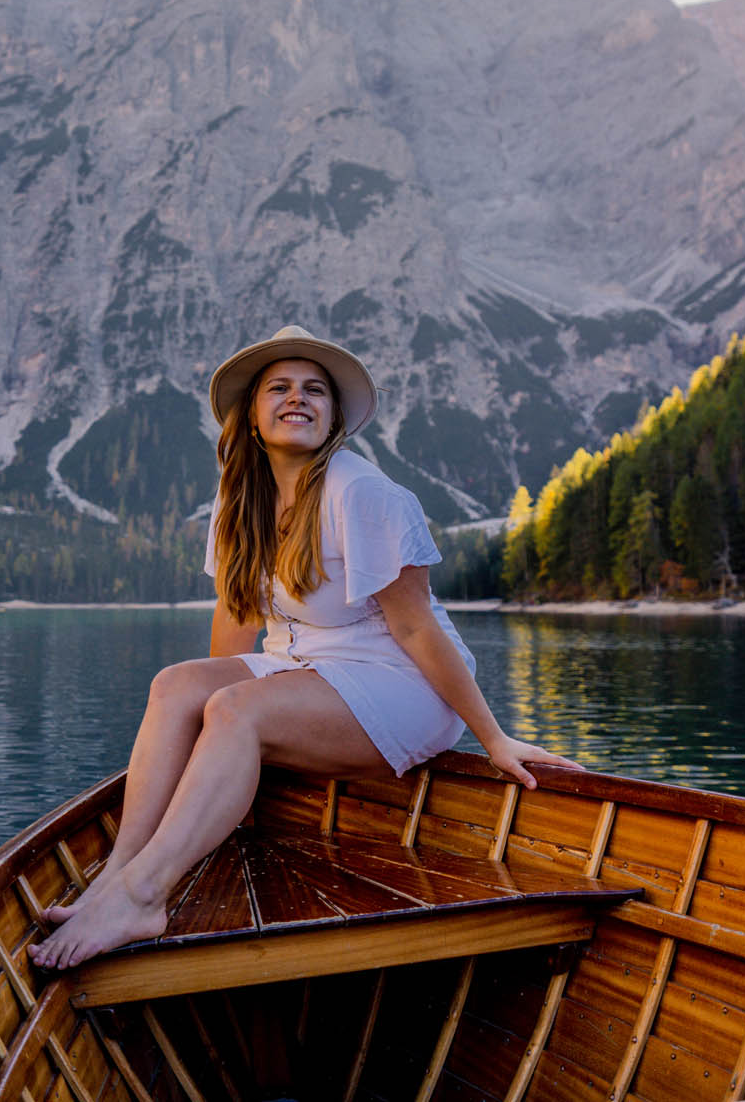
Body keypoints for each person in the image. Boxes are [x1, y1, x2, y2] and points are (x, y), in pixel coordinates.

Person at [29, 325, 581, 970]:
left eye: (315, 390)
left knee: (240, 711)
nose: (299, 398)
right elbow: (236, 613)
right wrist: (207, 725)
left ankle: (146, 896)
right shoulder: (241, 496)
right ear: (254, 417)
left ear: (333, 419)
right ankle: (120, 873)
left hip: (401, 681)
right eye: (281, 388)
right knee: (177, 684)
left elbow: (416, 628)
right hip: (309, 662)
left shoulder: (364, 493)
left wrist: (493, 738)